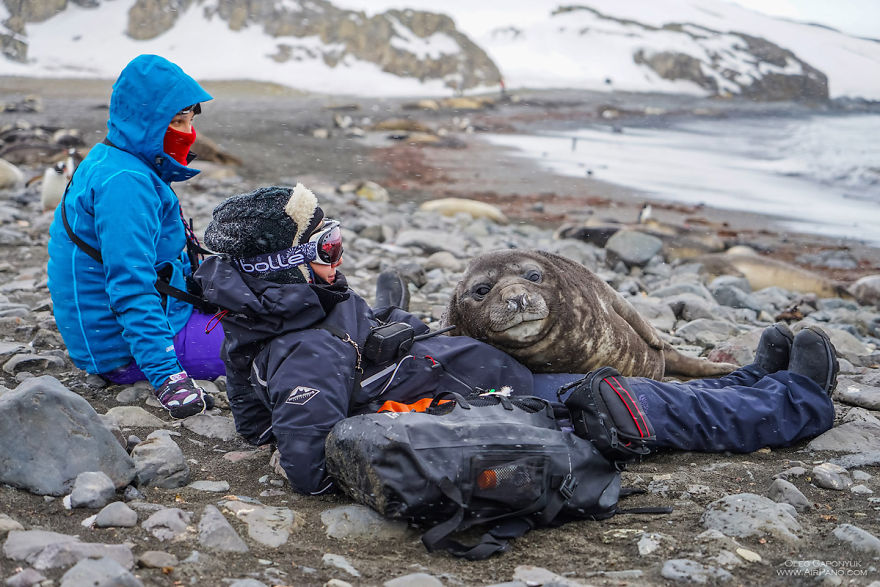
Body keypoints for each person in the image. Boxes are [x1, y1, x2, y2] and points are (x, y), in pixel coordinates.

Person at [192, 184, 838, 495]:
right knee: (642, 405)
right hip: (491, 404)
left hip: (466, 376)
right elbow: (308, 464)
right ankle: (797, 401)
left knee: (644, 386)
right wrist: (307, 439)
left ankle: (754, 383)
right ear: (283, 268)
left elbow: (254, 415)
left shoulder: (273, 316)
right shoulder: (308, 345)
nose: (342, 255)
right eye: (328, 246)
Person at [47, 54, 225, 419]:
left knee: (271, 307)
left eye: (189, 120)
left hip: (138, 325)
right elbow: (131, 283)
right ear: (144, 120)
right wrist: (167, 376)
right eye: (175, 121)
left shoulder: (114, 159)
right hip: (122, 351)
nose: (187, 132)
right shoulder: (125, 183)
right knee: (278, 341)